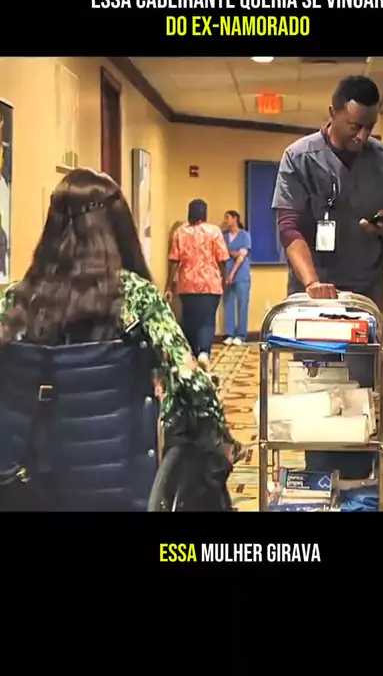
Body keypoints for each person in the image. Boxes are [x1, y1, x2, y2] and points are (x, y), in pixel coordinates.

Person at [0, 169, 244, 509]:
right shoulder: (135, 295)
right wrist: (221, 445)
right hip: (125, 488)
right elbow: (192, 384)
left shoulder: (16, 300)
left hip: (31, 489)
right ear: (119, 227)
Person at [272, 75, 383, 480]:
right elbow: (289, 227)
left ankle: (361, 480)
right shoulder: (299, 157)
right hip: (315, 299)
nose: (362, 135)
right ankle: (319, 477)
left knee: (363, 391)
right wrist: (312, 282)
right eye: (354, 126)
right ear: (332, 113)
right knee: (316, 391)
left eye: (370, 126)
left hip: (364, 294)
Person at [165, 199, 229, 372]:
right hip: (210, 284)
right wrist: (224, 279)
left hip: (187, 284)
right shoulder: (214, 231)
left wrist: (168, 286)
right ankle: (204, 353)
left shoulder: (180, 232)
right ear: (204, 213)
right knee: (207, 319)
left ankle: (193, 356)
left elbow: (174, 261)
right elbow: (222, 259)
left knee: (190, 319)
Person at [222, 210, 252, 346]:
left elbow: (241, 257)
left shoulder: (245, 235)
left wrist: (232, 274)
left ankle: (241, 335)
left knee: (242, 304)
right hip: (226, 274)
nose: (225, 221)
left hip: (241, 275)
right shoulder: (224, 236)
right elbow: (222, 254)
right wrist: (233, 253)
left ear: (235, 219)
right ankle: (230, 334)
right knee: (228, 303)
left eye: (227, 218)